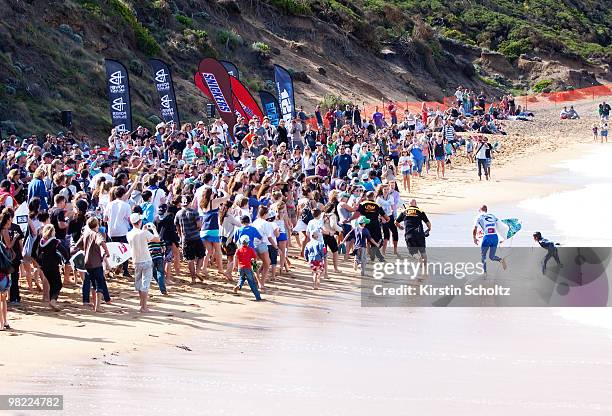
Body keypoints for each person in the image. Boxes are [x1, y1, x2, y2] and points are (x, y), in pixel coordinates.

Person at [73, 217, 110, 312]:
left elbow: (77, 245)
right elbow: (101, 242)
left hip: (87, 263)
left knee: (93, 284)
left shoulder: (85, 234)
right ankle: (97, 306)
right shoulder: (96, 234)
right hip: (96, 262)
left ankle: (94, 304)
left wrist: (86, 248)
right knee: (99, 284)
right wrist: (106, 251)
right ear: (97, 225)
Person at [127, 212, 160, 312]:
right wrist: (154, 229)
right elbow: (157, 239)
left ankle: (142, 303)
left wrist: (144, 230)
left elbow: (139, 238)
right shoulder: (143, 233)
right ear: (139, 221)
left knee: (139, 283)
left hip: (136, 261)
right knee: (145, 284)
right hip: (146, 260)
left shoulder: (129, 234)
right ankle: (144, 307)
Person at [32, 224, 69, 311]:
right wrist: (66, 260)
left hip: (44, 266)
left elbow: (33, 252)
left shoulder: (41, 241)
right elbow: (65, 252)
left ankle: (52, 301)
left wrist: (38, 262)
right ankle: (53, 301)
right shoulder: (55, 242)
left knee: (52, 284)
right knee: (58, 284)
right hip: (53, 265)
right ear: (53, 232)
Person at [174, 195, 205, 284]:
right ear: (190, 203)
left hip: (186, 238)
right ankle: (198, 271)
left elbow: (177, 226)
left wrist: (180, 236)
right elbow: (199, 225)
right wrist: (198, 229)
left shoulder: (178, 213)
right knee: (201, 255)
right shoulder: (194, 212)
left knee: (189, 259)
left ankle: (193, 278)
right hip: (196, 236)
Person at [395, 199, 431, 274]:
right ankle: (425, 269)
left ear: (409, 205)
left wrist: (400, 227)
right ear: (416, 204)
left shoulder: (404, 212)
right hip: (420, 234)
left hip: (409, 235)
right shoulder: (420, 211)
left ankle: (419, 258)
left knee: (412, 252)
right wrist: (429, 229)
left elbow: (396, 222)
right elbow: (428, 223)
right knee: (423, 252)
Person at [472, 205, 507, 274]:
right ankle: (500, 260)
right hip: (495, 237)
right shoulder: (493, 216)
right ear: (486, 210)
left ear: (480, 210)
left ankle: (484, 272)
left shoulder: (479, 216)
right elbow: (501, 227)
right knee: (492, 256)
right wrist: (503, 238)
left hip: (487, 238)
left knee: (483, 255)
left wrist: (474, 238)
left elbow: (475, 228)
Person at [233, 235, 262, 301]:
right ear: (248, 242)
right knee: (252, 283)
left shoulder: (238, 250)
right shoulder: (251, 250)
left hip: (240, 268)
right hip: (248, 268)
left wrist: (235, 266)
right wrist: (254, 268)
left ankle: (239, 286)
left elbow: (235, 257)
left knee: (241, 278)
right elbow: (254, 259)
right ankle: (258, 297)